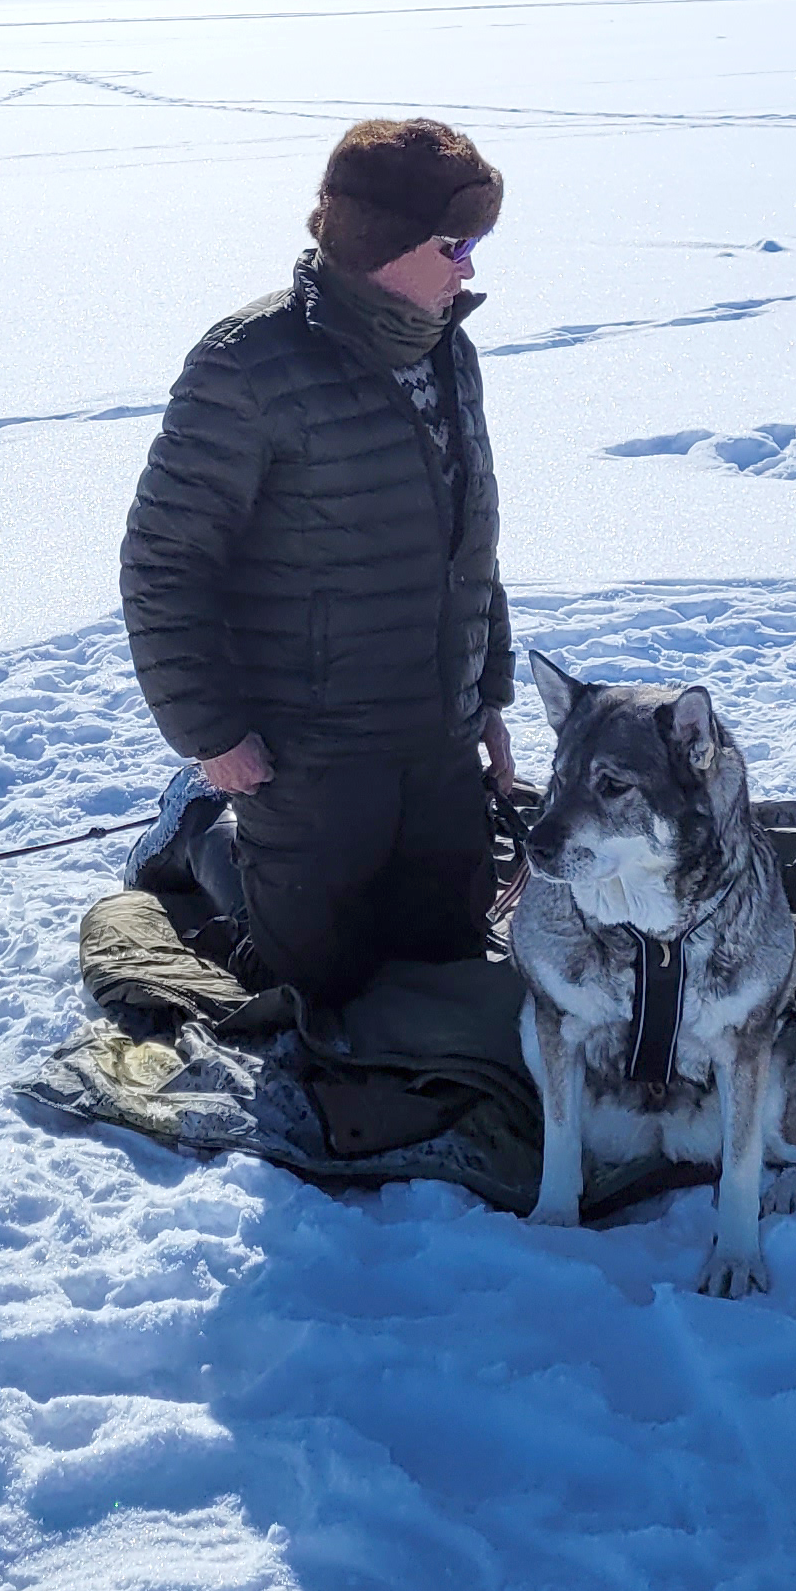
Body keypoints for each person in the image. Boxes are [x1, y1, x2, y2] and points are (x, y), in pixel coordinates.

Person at [120, 119, 516, 1008]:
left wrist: (488, 696)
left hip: (435, 735)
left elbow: (472, 542)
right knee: (318, 984)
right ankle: (197, 832)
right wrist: (212, 734)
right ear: (386, 244)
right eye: (458, 245)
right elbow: (164, 564)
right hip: (306, 750)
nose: (471, 267)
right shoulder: (247, 367)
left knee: (449, 959)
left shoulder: (449, 347)